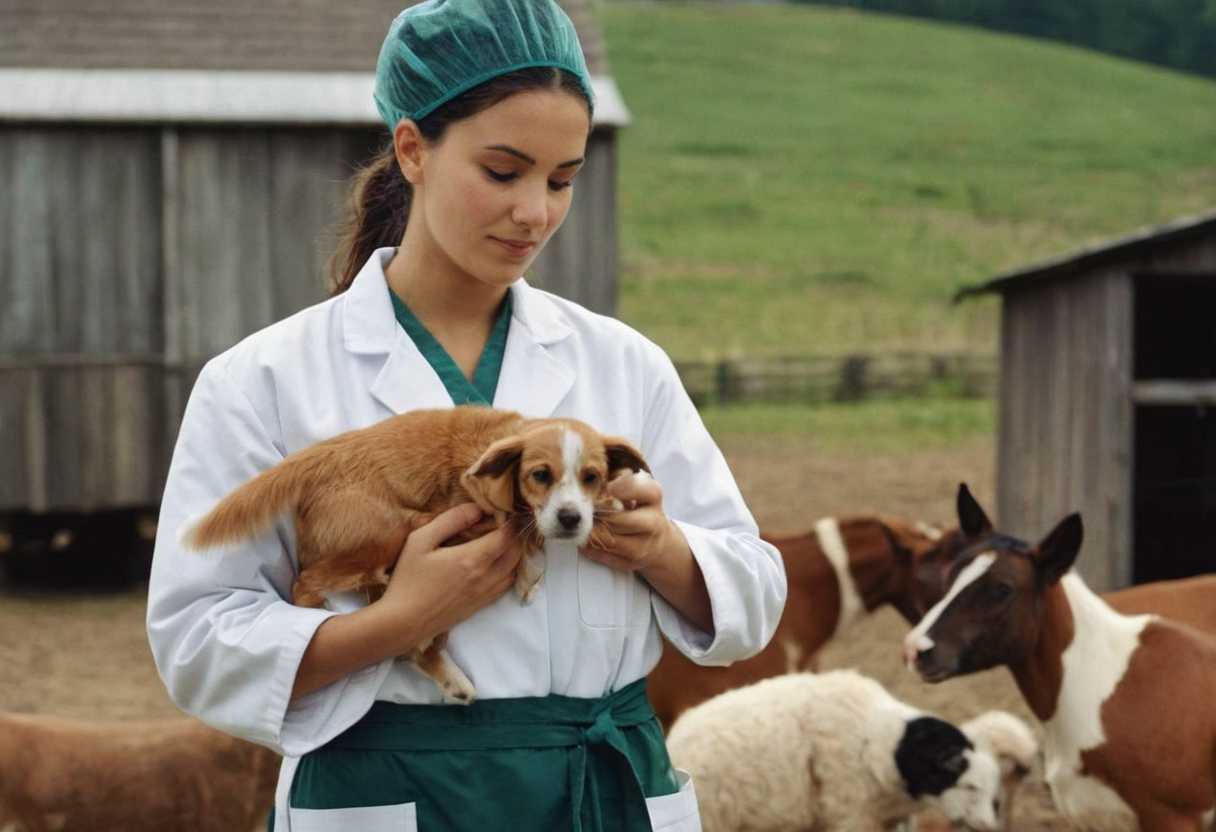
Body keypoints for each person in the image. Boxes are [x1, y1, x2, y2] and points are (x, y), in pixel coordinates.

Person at [146, 2, 786, 830]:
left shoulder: (623, 365)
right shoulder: (264, 380)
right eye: (503, 171)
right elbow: (198, 641)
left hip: (599, 790)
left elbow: (756, 591)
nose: (536, 213)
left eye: (562, 180)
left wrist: (666, 551)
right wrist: (395, 624)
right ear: (412, 149)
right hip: (384, 789)